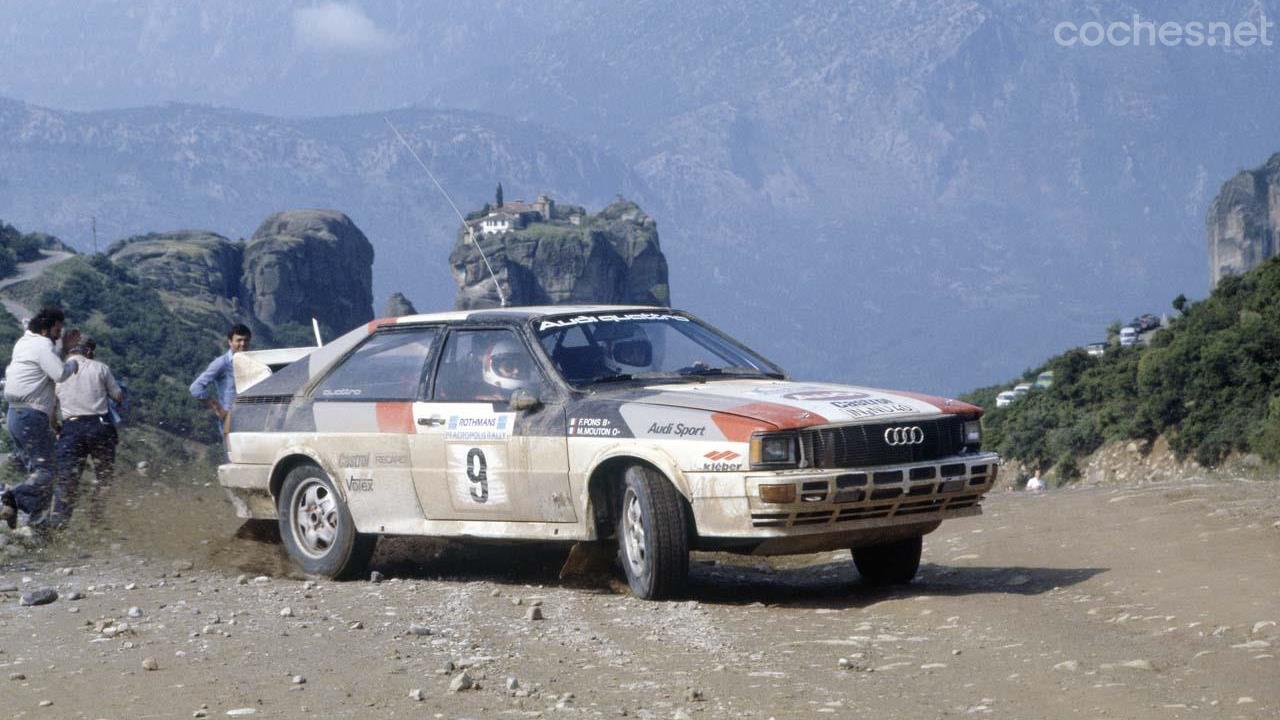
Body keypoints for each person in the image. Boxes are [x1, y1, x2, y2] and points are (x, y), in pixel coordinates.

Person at [1, 306, 81, 529]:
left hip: (15, 414)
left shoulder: (25, 342)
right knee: (48, 471)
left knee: (39, 472)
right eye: (58, 329)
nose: (60, 333)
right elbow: (59, 373)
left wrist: (62, 349)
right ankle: (11, 498)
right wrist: (74, 361)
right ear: (47, 328)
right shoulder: (43, 345)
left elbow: (47, 366)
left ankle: (38, 527)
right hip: (31, 415)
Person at [48, 338, 123, 528]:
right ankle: (95, 518)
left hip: (71, 428)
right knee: (104, 476)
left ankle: (59, 524)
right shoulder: (100, 368)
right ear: (88, 352)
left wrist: (57, 429)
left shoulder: (57, 372)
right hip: (99, 426)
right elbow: (118, 396)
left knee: (67, 478)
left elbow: (51, 409)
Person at [190, 324, 251, 444]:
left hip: (250, 419)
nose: (243, 344)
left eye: (246, 340)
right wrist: (218, 409)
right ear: (230, 342)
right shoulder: (221, 364)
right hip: (230, 421)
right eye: (239, 340)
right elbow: (195, 388)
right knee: (233, 457)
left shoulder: (252, 361)